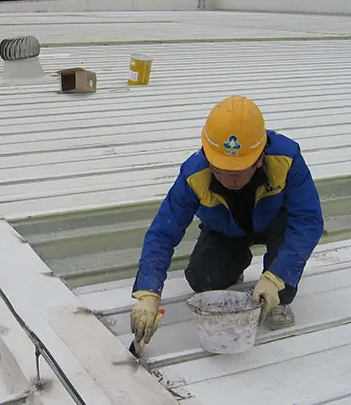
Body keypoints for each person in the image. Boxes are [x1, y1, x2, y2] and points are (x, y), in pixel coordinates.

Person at [130, 95, 324, 347]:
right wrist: (148, 292)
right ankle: (237, 262)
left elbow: (308, 220)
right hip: (227, 229)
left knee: (283, 288)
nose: (226, 179)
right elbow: (162, 233)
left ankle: (278, 288)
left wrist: (276, 277)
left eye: (236, 172)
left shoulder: (286, 159)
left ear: (259, 158)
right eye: (219, 169)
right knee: (203, 280)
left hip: (276, 223)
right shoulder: (194, 174)